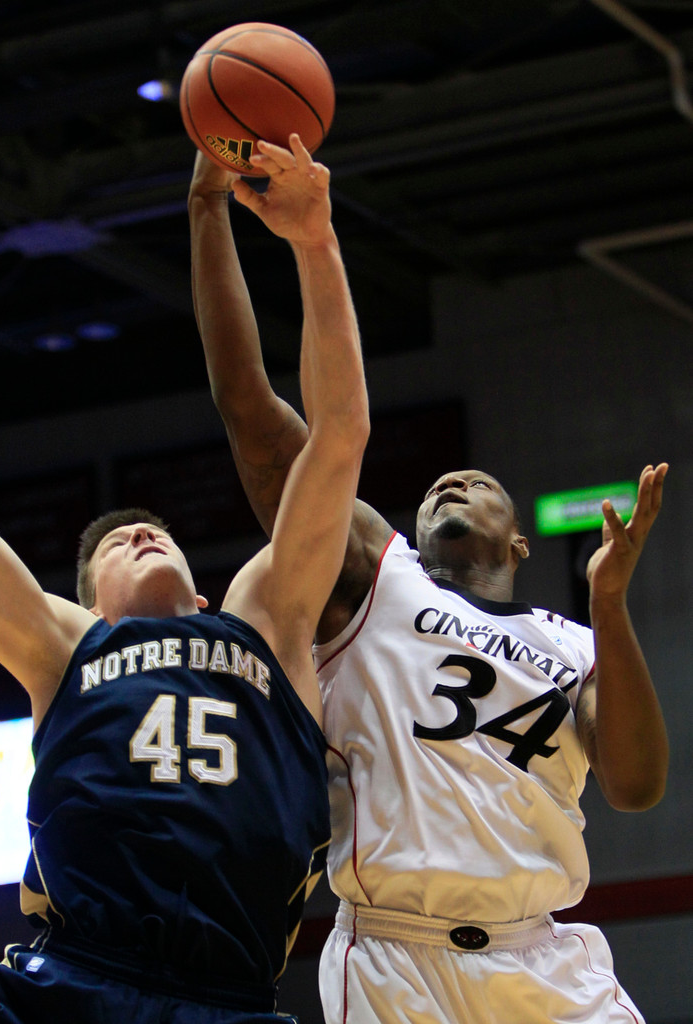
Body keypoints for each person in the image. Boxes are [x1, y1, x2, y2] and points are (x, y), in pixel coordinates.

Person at [0, 136, 369, 1024]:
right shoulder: (65, 645)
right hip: (69, 979)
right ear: (85, 602)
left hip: (230, 996)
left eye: (154, 532)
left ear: (201, 594)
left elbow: (337, 436)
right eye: (113, 546)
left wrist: (315, 243)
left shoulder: (265, 619)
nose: (139, 532)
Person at [189, 151, 670, 1023]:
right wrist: (205, 208)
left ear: (518, 540)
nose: (452, 482)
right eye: (436, 487)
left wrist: (608, 604)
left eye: (476, 482)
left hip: (545, 955)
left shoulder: (573, 642)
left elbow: (635, 785)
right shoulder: (377, 580)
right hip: (393, 957)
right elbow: (251, 411)